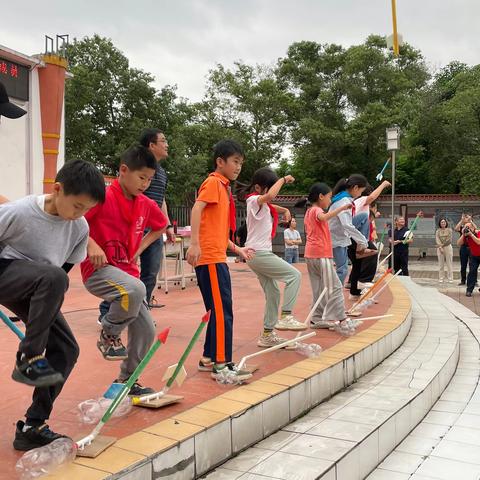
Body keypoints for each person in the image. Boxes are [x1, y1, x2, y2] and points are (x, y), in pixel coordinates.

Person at [0, 160, 105, 451]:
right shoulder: (20, 212)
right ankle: (29, 357)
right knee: (52, 277)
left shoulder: (79, 228)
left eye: (86, 209)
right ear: (57, 189)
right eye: (77, 206)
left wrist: (42, 310)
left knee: (67, 348)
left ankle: (33, 426)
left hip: (38, 285)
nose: (79, 215)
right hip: (4, 272)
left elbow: (63, 272)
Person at [81, 145, 167, 396]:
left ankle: (126, 382)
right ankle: (109, 334)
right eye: (142, 178)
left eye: (150, 180)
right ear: (123, 170)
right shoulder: (103, 197)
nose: (145, 184)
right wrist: (91, 244)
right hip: (99, 271)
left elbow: (161, 226)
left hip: (129, 278)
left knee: (147, 330)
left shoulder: (146, 204)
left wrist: (139, 248)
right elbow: (75, 219)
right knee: (136, 288)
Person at [186, 140, 254, 381]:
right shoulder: (214, 182)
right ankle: (222, 364)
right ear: (220, 162)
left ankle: (208, 358)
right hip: (211, 260)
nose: (238, 167)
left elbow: (219, 231)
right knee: (223, 312)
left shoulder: (223, 188)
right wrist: (193, 244)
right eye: (235, 162)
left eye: (240, 163)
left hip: (217, 257)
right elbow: (197, 208)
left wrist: (238, 249)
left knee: (217, 311)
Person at [98, 129, 174, 319]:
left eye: (148, 179)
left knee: (150, 273)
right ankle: (107, 312)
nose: (167, 145)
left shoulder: (161, 174)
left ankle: (141, 311)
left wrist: (169, 226)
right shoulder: (133, 171)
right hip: (131, 230)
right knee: (119, 271)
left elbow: (161, 200)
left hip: (150, 232)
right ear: (152, 145)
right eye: (163, 141)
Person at [240, 167, 305, 349]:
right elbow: (267, 199)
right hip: (258, 253)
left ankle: (267, 335)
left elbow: (270, 203)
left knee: (274, 292)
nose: (273, 192)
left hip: (257, 254)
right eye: (270, 187)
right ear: (259, 188)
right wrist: (283, 179)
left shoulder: (262, 205)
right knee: (294, 276)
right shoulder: (253, 200)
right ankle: (286, 316)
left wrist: (284, 209)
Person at [298, 183, 356, 334]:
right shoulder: (316, 210)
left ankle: (317, 319)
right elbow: (323, 217)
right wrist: (342, 208)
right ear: (321, 196)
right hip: (321, 255)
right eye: (329, 198)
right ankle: (342, 319)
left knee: (320, 289)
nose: (330, 201)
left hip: (311, 255)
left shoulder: (309, 211)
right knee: (335, 286)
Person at [329, 175, 374, 292]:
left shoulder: (344, 198)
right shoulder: (343, 201)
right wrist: (362, 241)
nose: (360, 194)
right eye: (361, 191)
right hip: (336, 238)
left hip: (341, 235)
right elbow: (347, 225)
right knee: (342, 269)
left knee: (364, 216)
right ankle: (334, 295)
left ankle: (361, 247)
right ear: (355, 188)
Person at [457, 222, 480, 297]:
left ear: (473, 228)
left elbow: (478, 242)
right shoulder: (465, 235)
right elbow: (458, 243)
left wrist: (471, 234)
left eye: (469, 227)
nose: (467, 229)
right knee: (472, 271)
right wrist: (463, 234)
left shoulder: (478, 232)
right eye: (466, 227)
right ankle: (469, 290)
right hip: (474, 256)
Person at [455, 213, 477, 286]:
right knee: (463, 265)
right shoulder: (462, 227)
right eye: (465, 217)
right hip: (463, 248)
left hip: (472, 248)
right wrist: (461, 220)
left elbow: (476, 228)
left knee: (473, 265)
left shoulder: (472, 227)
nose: (466, 218)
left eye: (467, 217)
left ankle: (474, 281)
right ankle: (463, 280)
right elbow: (456, 228)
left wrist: (470, 221)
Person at [436, 218, 453, 283]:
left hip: (448, 247)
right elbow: (437, 239)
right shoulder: (438, 231)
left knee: (449, 263)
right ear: (440, 223)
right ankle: (441, 278)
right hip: (440, 248)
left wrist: (442, 245)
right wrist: (440, 247)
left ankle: (450, 278)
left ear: (446, 223)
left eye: (444, 222)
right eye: (442, 222)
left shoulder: (449, 230)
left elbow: (449, 240)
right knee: (441, 264)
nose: (443, 223)